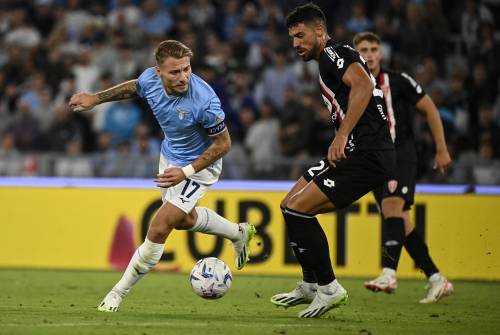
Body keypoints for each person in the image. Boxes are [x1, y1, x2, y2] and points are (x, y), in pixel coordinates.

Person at [69, 40, 256, 312]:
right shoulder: (149, 79)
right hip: (170, 156)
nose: (183, 77)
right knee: (183, 220)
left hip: (199, 166)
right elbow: (135, 87)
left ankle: (117, 293)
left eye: (186, 69)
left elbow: (224, 145)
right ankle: (237, 233)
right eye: (174, 72)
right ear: (159, 72)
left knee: (159, 228)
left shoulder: (205, 101)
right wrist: (96, 98)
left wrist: (187, 171)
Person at [270, 4, 395, 318]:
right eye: (292, 38)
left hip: (367, 153)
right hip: (356, 148)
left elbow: (365, 86)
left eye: (301, 35)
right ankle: (310, 284)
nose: (296, 43)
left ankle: (329, 288)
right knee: (289, 205)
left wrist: (342, 136)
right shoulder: (331, 57)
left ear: (320, 31)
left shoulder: (331, 53)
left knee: (299, 211)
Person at [353, 32, 454, 303]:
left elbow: (430, 109)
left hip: (401, 155)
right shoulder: (352, 86)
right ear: (356, 54)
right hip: (374, 161)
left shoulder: (398, 81)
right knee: (401, 222)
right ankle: (437, 278)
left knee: (392, 208)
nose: (370, 53)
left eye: (374, 48)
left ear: (381, 54)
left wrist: (441, 148)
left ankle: (388, 272)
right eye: (364, 49)